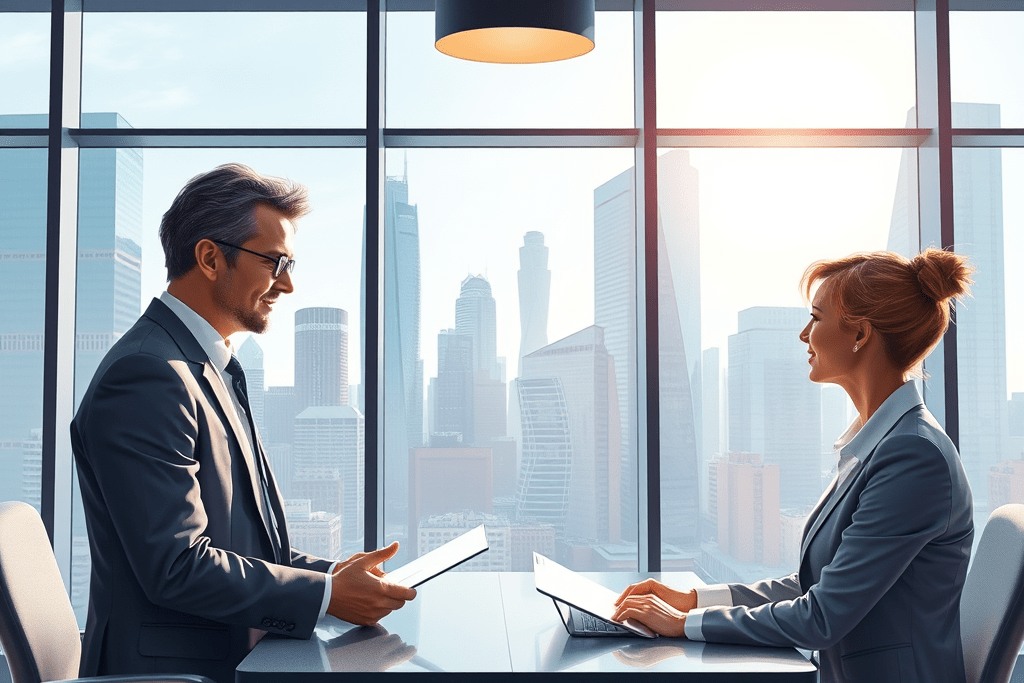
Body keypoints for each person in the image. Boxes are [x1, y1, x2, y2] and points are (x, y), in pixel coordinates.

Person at [71, 163, 416, 683]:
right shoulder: (148, 374)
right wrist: (325, 596)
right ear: (210, 257)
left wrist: (333, 577)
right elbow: (177, 565)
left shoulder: (208, 365)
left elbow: (247, 546)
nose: (289, 284)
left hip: (238, 656)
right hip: (183, 671)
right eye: (276, 262)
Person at [613, 248, 976, 683]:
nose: (805, 334)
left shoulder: (914, 458)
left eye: (816, 318)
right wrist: (692, 600)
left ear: (860, 333)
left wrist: (681, 625)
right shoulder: (878, 444)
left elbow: (820, 617)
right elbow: (815, 585)